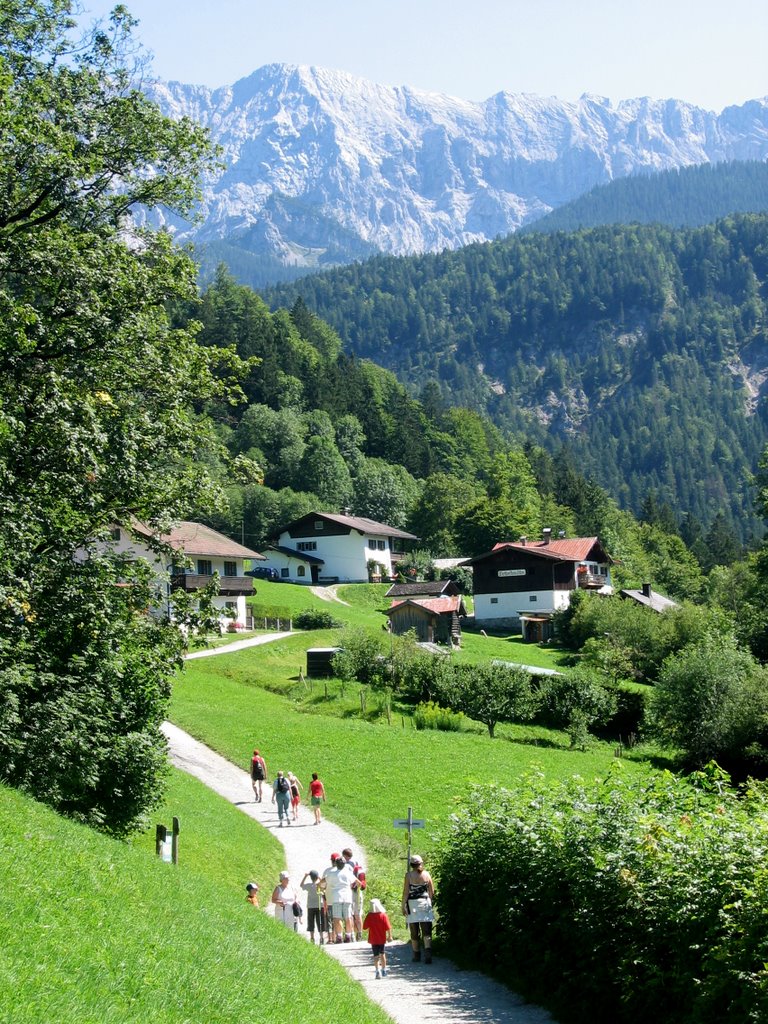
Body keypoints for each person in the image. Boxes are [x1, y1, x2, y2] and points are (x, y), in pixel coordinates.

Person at [402, 853, 435, 963]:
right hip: (425, 902)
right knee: (427, 930)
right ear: (421, 864)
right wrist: (430, 901)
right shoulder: (427, 874)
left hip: (413, 904)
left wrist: (403, 905)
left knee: (414, 931)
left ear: (411, 865)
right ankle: (428, 954)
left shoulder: (409, 876)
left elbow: (406, 892)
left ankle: (416, 955)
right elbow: (431, 891)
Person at [323, 854, 357, 942]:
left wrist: (319, 886)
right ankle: (348, 935)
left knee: (337, 918)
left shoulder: (331, 873)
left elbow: (323, 881)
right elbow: (357, 881)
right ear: (344, 864)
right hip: (347, 897)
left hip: (336, 897)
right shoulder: (347, 873)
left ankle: (339, 936)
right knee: (348, 917)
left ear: (336, 863)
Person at [363, 898, 392, 979]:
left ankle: (377, 971)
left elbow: (364, 927)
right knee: (382, 954)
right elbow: (388, 927)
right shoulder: (383, 915)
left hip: (373, 939)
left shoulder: (369, 916)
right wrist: (390, 936)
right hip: (381, 939)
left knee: (375, 956)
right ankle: (384, 970)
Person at [342, 847, 366, 940]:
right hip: (357, 891)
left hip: (351, 891)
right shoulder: (357, 864)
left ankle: (352, 934)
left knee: (351, 914)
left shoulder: (345, 865)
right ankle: (358, 934)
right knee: (357, 914)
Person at [301, 869, 326, 944]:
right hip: (319, 905)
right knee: (320, 922)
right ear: (317, 877)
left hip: (311, 906)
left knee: (311, 922)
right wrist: (319, 878)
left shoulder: (309, 885)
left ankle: (312, 938)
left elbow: (301, 885)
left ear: (311, 877)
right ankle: (321, 938)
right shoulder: (320, 885)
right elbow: (324, 884)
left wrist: (305, 876)